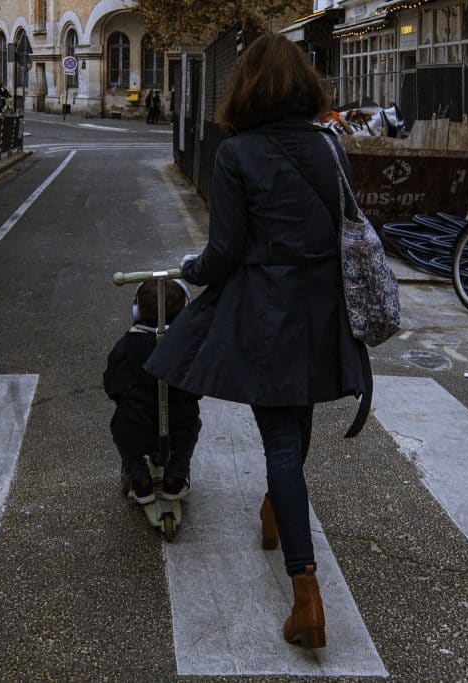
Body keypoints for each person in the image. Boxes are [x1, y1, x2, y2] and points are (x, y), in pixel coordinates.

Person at [144, 33, 369, 649]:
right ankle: (276, 507)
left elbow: (225, 252)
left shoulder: (236, 153)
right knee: (296, 424)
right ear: (304, 84)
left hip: (269, 311)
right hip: (323, 309)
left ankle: (306, 596)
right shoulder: (330, 147)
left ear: (244, 86)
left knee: (277, 435)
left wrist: (191, 270)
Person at [103, 279, 201, 503]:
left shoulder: (126, 345)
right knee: (191, 428)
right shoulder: (188, 345)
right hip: (179, 426)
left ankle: (139, 478)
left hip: (135, 425)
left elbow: (112, 384)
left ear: (136, 309)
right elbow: (197, 387)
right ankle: (175, 478)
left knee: (121, 431)